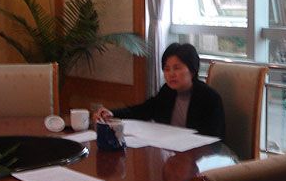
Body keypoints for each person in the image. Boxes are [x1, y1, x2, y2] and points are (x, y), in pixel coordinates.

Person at [94, 43, 225, 139]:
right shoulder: (167, 91)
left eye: (177, 68)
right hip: (168, 150)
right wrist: (112, 113)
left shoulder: (209, 98)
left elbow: (215, 138)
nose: (171, 74)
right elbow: (144, 110)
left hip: (196, 158)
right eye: (166, 69)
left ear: (192, 70)